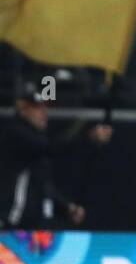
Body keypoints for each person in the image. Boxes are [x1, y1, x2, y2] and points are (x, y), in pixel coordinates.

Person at [0, 85, 112, 229]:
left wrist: (66, 207)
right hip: (11, 227)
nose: (44, 113)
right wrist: (89, 138)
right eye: (38, 108)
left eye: (45, 108)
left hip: (33, 229)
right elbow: (52, 148)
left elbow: (40, 185)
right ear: (23, 109)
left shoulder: (35, 143)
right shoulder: (15, 135)